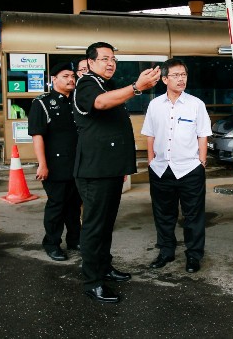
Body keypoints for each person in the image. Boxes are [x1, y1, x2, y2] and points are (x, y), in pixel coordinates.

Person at [73, 42, 160, 303]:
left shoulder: (107, 84)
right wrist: (135, 88)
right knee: (94, 226)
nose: (110, 63)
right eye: (104, 59)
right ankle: (92, 282)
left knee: (106, 224)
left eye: (113, 59)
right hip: (94, 170)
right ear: (89, 62)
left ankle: (104, 267)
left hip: (109, 169)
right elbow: (99, 104)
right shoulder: (87, 84)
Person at [141, 59, 211, 273]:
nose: (181, 79)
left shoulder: (196, 104)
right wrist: (151, 160)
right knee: (163, 214)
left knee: (193, 215)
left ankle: (194, 255)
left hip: (190, 169)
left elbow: (203, 135)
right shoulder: (154, 105)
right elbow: (150, 135)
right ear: (164, 79)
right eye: (176, 75)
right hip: (161, 169)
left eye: (184, 75)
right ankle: (166, 251)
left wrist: (201, 161)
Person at [28, 61, 81, 262]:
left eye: (72, 76)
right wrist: (42, 163)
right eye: (65, 76)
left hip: (76, 163)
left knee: (75, 205)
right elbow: (37, 135)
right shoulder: (42, 102)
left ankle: (75, 240)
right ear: (53, 79)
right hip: (54, 164)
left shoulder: (77, 101)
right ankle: (51, 243)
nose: (70, 80)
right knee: (56, 205)